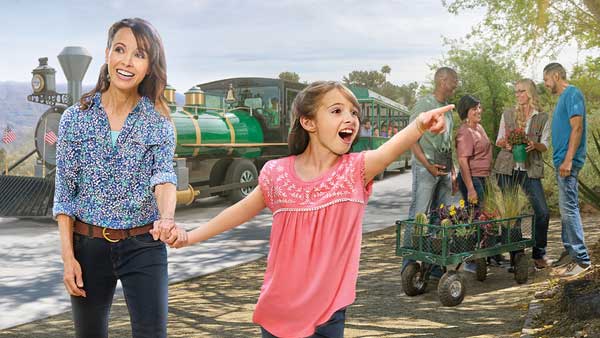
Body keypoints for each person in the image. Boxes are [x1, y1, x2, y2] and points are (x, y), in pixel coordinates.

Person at [165, 81, 452, 337]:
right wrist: (190, 236)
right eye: (337, 111)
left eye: (354, 113)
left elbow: (392, 147)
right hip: (278, 310)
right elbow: (238, 211)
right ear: (308, 122)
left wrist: (420, 125)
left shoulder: (356, 170)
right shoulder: (276, 173)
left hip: (328, 314)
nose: (350, 118)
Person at [54, 18, 184, 338]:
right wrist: (68, 257)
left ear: (149, 66)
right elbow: (65, 192)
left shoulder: (157, 122)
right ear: (107, 53)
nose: (127, 61)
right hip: (87, 247)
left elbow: (164, 176)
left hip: (143, 245)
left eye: (139, 54)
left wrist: (167, 217)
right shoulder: (75, 118)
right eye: (120, 50)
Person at [403, 67, 458, 272]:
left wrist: (452, 171)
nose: (456, 85)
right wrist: (427, 165)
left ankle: (434, 266)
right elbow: (411, 138)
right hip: (426, 168)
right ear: (442, 80)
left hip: (444, 167)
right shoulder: (425, 105)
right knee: (419, 213)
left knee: (439, 215)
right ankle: (409, 264)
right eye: (454, 80)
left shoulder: (447, 109)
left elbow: (448, 142)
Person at [494, 78, 551, 270]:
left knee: (542, 212)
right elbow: (499, 140)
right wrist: (507, 144)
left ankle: (538, 253)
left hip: (530, 169)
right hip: (507, 169)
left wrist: (534, 145)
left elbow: (545, 145)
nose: (518, 95)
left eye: (521, 91)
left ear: (530, 93)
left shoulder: (542, 117)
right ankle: (516, 257)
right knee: (512, 215)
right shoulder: (508, 114)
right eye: (516, 91)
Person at [543, 62, 591, 278]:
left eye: (546, 80)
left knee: (569, 209)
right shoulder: (564, 98)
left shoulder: (572, 94)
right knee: (565, 210)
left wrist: (568, 160)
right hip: (562, 161)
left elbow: (577, 127)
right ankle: (570, 254)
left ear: (556, 75)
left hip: (567, 163)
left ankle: (582, 260)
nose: (545, 85)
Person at [455, 95, 492, 206]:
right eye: (474, 109)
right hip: (473, 178)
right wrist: (471, 189)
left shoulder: (479, 127)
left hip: (483, 176)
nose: (479, 111)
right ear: (466, 112)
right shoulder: (465, 132)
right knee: (477, 216)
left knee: (484, 216)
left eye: (479, 107)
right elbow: (462, 162)